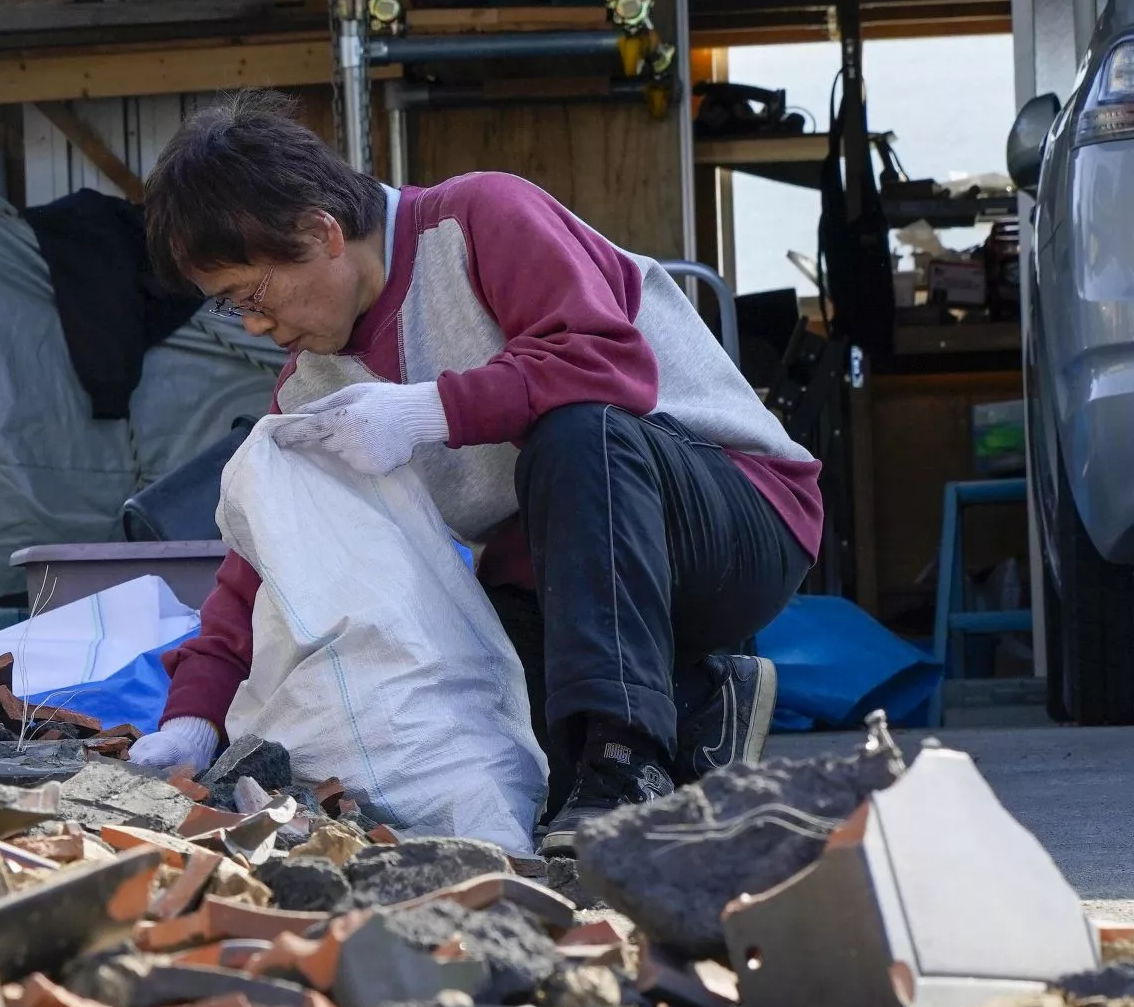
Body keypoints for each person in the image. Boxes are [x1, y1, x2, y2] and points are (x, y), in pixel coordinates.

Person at [126, 93, 820, 854]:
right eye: (233, 310)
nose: (256, 325)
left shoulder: (480, 217)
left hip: (734, 518)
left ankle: (627, 761)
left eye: (250, 295)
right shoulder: (311, 389)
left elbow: (611, 367)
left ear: (319, 231)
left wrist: (428, 410)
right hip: (574, 584)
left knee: (578, 430)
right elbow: (263, 563)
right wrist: (193, 717)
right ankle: (698, 707)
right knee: (493, 727)